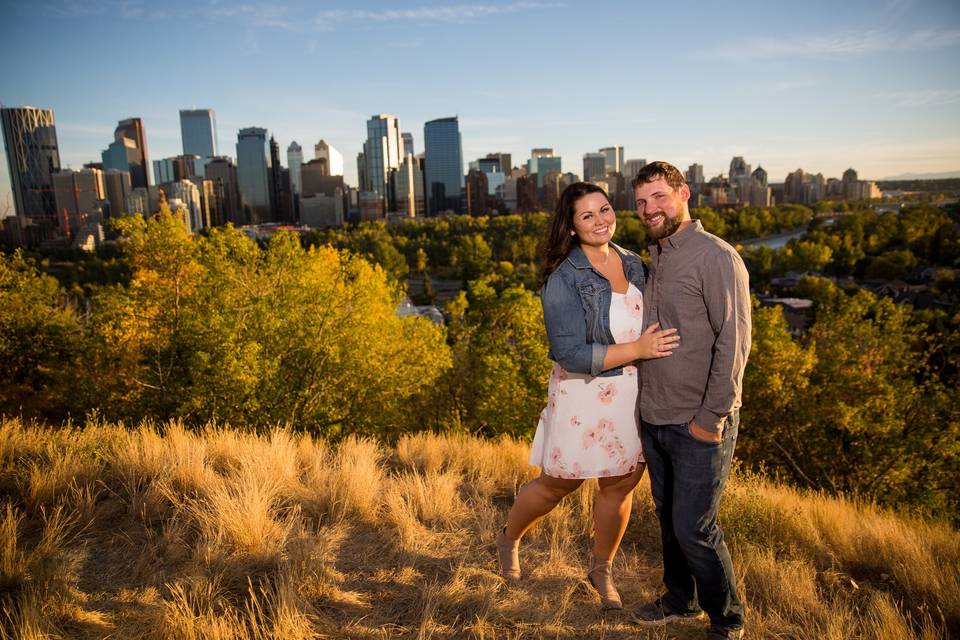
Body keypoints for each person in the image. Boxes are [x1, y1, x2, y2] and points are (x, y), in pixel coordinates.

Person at [495, 182, 680, 610]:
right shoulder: (564, 278)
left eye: (605, 209)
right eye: (587, 215)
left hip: (632, 394)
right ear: (572, 226)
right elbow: (569, 352)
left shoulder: (634, 262)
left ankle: (601, 570)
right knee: (559, 483)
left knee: (620, 484)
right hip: (583, 394)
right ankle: (508, 540)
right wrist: (636, 350)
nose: (601, 221)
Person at [629, 162, 751, 640]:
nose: (648, 209)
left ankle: (728, 618)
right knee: (669, 521)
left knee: (695, 528)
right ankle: (681, 599)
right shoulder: (658, 256)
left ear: (684, 194)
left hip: (699, 422)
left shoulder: (715, 256)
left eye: (658, 197)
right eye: (640, 202)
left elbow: (734, 344)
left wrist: (710, 418)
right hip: (656, 417)